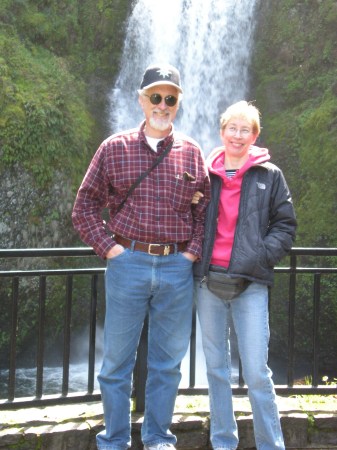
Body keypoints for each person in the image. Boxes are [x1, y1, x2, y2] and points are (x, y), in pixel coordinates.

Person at [72, 63, 210, 450]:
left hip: (176, 268)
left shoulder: (192, 153)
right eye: (155, 96)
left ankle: (158, 439)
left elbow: (203, 213)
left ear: (178, 103)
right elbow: (83, 207)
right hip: (127, 263)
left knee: (167, 366)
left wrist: (192, 254)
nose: (162, 104)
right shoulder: (113, 148)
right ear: (141, 100)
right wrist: (111, 250)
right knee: (117, 364)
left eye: (170, 98)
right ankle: (114, 440)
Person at [193, 100, 297, 450]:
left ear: (255, 135)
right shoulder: (203, 174)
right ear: (222, 131)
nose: (238, 135)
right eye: (232, 128)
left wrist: (260, 257)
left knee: (255, 372)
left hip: (250, 283)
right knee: (216, 370)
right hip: (208, 281)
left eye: (245, 129)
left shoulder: (270, 175)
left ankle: (271, 445)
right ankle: (223, 443)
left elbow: (285, 225)